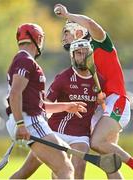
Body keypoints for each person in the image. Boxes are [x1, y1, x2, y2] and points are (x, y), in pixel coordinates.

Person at [54, 3, 133, 179]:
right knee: (109, 162)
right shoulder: (79, 57)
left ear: (79, 31)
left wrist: (68, 14)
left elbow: (90, 23)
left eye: (67, 32)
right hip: (103, 107)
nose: (64, 37)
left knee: (97, 142)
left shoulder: (100, 43)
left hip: (117, 100)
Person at [6, 22, 87, 179]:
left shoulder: (23, 60)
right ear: (38, 39)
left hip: (28, 119)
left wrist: (66, 106)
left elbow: (38, 105)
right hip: (29, 121)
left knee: (62, 151)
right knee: (66, 168)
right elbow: (15, 94)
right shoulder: (25, 60)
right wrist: (20, 124)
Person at [46, 39, 104, 179]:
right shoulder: (63, 78)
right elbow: (46, 103)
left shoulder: (99, 80)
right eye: (78, 53)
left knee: (79, 168)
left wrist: (102, 101)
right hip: (57, 130)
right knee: (61, 172)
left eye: (86, 53)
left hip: (81, 134)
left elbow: (103, 107)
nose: (82, 56)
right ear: (72, 56)